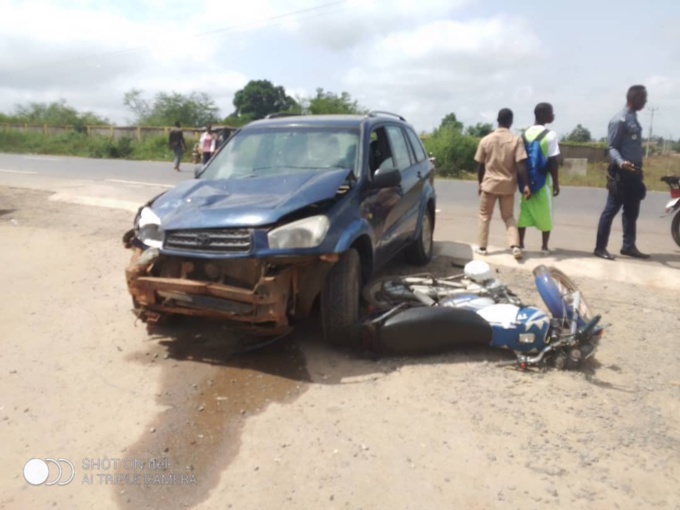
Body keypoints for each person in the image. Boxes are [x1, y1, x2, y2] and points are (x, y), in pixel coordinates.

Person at [594, 85, 650, 260]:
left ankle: (628, 246)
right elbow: (611, 147)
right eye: (643, 98)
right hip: (621, 173)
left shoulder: (633, 118)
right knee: (611, 210)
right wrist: (621, 162)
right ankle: (600, 248)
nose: (645, 102)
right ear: (634, 98)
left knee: (632, 211)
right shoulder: (620, 120)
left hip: (634, 172)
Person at [473, 108, 531, 260]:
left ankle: (482, 246)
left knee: (485, 216)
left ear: (497, 120)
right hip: (507, 185)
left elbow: (480, 166)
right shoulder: (516, 140)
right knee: (509, 217)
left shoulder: (486, 140)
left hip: (489, 184)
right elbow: (521, 164)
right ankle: (515, 246)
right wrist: (525, 184)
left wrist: (480, 183)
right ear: (511, 122)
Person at [517, 103, 561, 255]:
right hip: (543, 182)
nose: (553, 115)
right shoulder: (550, 135)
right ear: (543, 114)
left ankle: (520, 244)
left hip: (526, 182)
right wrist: (556, 183)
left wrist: (525, 182)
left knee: (524, 213)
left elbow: (521, 160)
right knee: (546, 214)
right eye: (551, 113)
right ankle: (544, 247)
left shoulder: (524, 134)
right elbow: (553, 161)